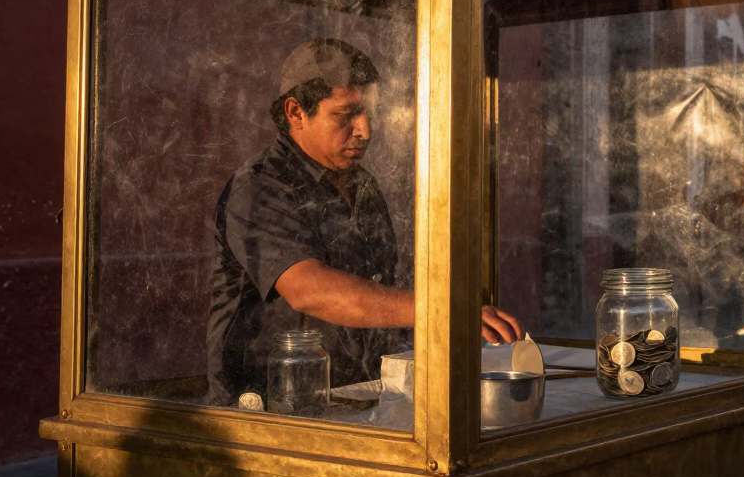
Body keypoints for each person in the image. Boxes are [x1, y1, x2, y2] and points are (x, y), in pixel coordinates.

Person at [207, 38, 523, 407]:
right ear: (295, 113)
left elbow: (383, 290)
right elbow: (309, 289)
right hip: (272, 410)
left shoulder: (361, 185)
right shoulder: (260, 187)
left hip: (355, 399)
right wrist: (442, 311)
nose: (366, 130)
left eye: (370, 112)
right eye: (346, 114)